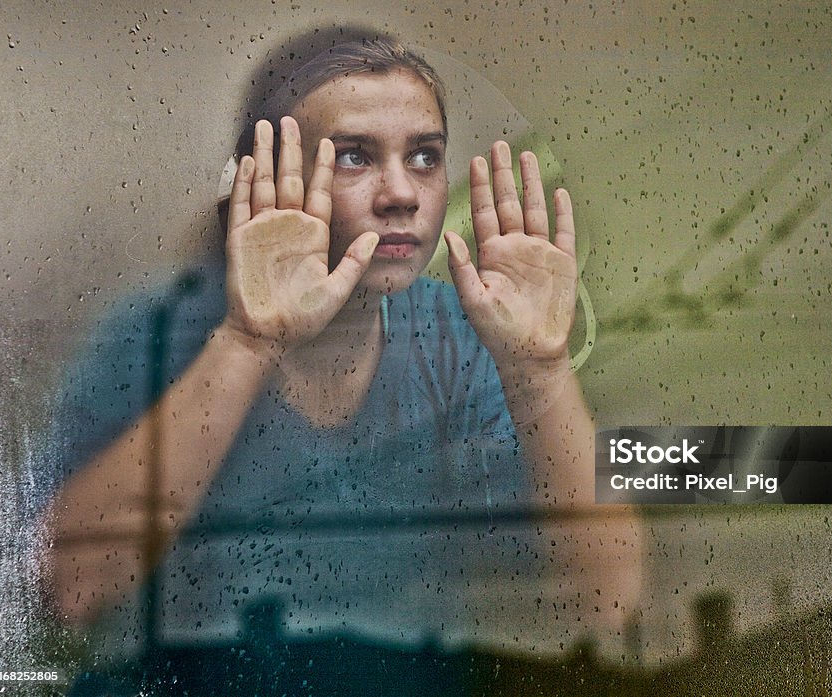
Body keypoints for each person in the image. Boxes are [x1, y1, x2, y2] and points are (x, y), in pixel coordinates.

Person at [42, 31, 640, 692]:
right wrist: (248, 343)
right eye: (355, 157)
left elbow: (610, 593)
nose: (401, 193)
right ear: (270, 182)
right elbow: (71, 589)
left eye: (424, 157)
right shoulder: (153, 334)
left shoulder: (457, 337)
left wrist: (541, 371)